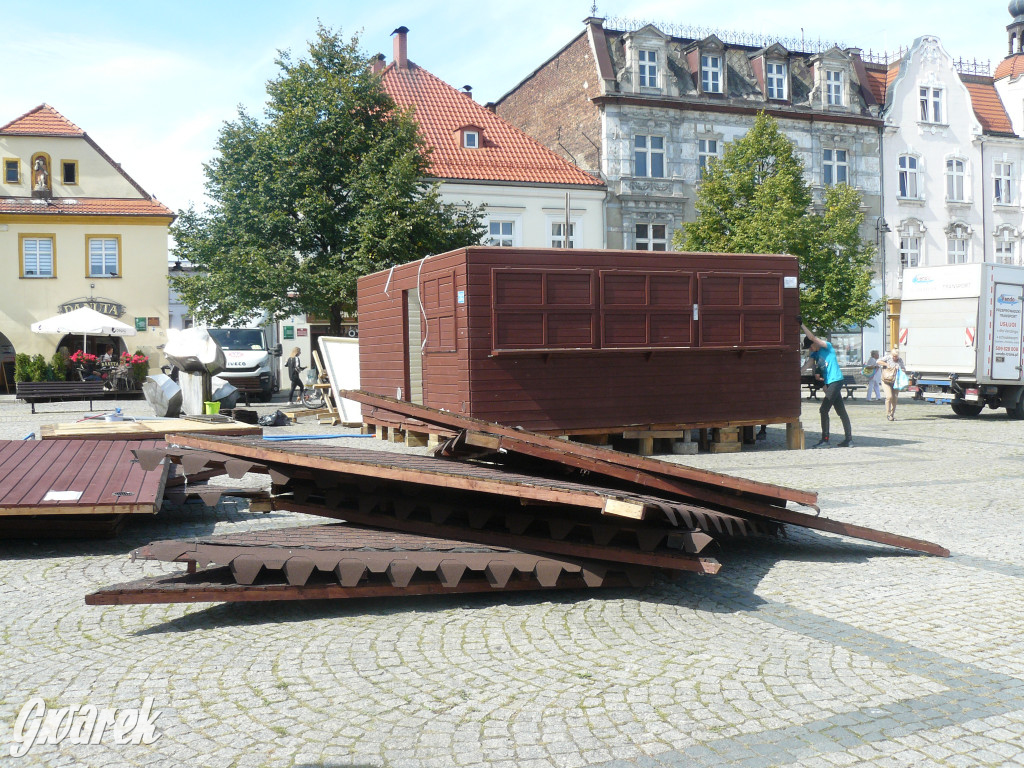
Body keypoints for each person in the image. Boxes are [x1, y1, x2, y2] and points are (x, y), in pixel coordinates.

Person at [801, 323, 853, 448]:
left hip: (836, 380)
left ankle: (825, 440)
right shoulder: (815, 354)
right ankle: (849, 440)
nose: (810, 349)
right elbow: (807, 365)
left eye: (810, 346)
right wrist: (797, 372)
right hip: (829, 383)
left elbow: (812, 337)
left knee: (823, 409)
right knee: (841, 411)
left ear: (814, 344)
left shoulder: (827, 347)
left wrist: (801, 325)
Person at [878, 347, 907, 421]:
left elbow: (904, 369)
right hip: (886, 381)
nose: (895, 358)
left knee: (895, 398)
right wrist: (886, 364)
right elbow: (878, 361)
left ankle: (892, 415)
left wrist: (899, 368)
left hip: (895, 382)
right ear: (891, 354)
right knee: (889, 397)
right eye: (893, 356)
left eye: (896, 356)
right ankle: (888, 414)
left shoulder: (900, 360)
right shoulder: (887, 358)